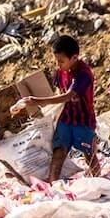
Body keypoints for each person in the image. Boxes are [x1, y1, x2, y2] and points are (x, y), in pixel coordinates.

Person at [11, 35, 99, 182]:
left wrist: (36, 101)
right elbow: (59, 93)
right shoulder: (60, 72)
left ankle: (99, 182)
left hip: (82, 121)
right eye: (56, 61)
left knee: (89, 154)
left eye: (61, 61)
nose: (58, 65)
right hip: (65, 119)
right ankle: (53, 187)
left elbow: (67, 96)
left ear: (74, 57)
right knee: (58, 152)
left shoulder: (84, 74)